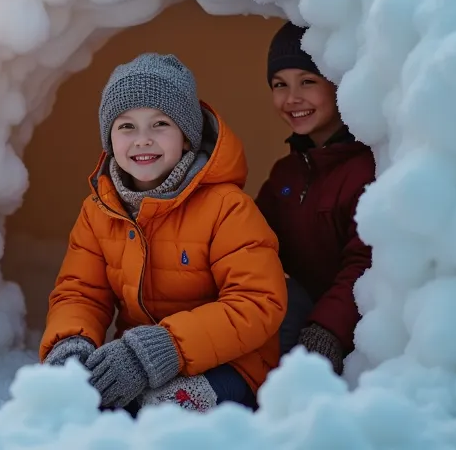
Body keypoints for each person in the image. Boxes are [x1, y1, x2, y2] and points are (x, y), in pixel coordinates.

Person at [39, 53, 288, 413]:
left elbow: (258, 301)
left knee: (161, 416)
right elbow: (81, 292)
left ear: (187, 138)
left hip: (231, 364)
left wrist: (163, 349)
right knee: (85, 409)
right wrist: (71, 346)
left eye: (159, 124)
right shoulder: (99, 210)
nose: (142, 140)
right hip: (136, 365)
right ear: (109, 140)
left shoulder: (227, 207)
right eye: (126, 126)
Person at [255, 23, 376, 375]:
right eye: (280, 85)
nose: (291, 98)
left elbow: (366, 262)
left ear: (339, 84)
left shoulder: (366, 166)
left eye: (307, 81)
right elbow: (251, 241)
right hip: (302, 322)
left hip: (351, 335)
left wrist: (326, 331)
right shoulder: (287, 174)